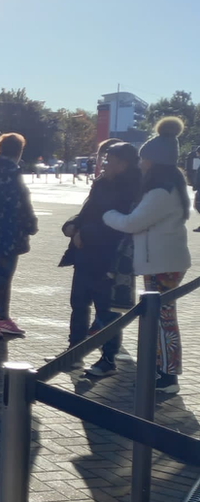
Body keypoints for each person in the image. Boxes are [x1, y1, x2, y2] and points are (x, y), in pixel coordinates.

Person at [103, 117, 192, 393]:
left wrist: (108, 215)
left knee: (163, 320)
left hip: (162, 263)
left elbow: (132, 222)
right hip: (166, 261)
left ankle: (167, 375)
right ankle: (162, 369)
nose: (141, 164)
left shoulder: (159, 192)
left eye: (144, 160)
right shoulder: (170, 187)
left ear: (154, 162)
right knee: (161, 318)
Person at [58, 141, 140, 375]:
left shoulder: (132, 190)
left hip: (110, 258)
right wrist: (73, 225)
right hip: (85, 255)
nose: (104, 164)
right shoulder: (101, 184)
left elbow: (120, 225)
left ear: (122, 163)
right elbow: (88, 212)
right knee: (79, 304)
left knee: (107, 310)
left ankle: (108, 359)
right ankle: (74, 351)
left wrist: (86, 233)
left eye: (109, 160)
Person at [0, 133, 35, 340]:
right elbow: (21, 202)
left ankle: (0, 319)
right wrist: (31, 225)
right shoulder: (12, 171)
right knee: (2, 276)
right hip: (10, 232)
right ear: (19, 151)